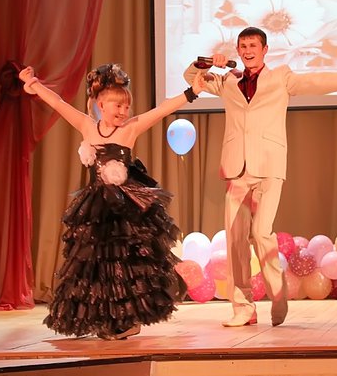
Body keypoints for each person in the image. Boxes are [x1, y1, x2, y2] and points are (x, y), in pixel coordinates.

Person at [183, 26, 337, 327]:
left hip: (269, 167)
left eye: (253, 45)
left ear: (264, 50)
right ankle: (243, 307)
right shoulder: (227, 81)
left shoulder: (280, 77)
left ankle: (277, 292)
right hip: (236, 169)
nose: (247, 51)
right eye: (243, 46)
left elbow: (312, 82)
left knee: (261, 232)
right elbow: (189, 77)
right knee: (235, 239)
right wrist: (206, 63)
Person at [19, 63, 204, 340]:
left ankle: (129, 319)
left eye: (126, 107)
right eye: (117, 106)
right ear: (101, 104)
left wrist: (192, 92)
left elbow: (162, 110)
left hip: (124, 206)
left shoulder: (130, 129)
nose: (123, 111)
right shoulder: (87, 125)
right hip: (96, 206)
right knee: (98, 264)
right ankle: (106, 317)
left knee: (127, 264)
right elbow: (58, 103)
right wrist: (33, 84)